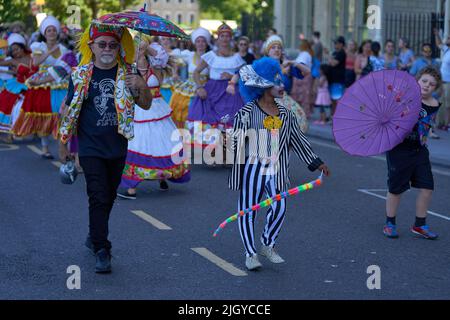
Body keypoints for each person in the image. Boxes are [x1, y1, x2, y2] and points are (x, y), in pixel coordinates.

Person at [58, 22, 152, 273]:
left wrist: (141, 87)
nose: (108, 48)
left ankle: (93, 234)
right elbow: (69, 111)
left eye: (113, 44)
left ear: (119, 47)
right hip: (90, 148)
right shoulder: (79, 75)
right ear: (92, 47)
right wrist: (64, 144)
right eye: (102, 44)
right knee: (98, 195)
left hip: (118, 145)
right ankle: (102, 248)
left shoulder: (130, 72)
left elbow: (146, 105)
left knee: (108, 196)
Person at [230, 57, 330, 270]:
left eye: (281, 80)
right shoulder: (247, 112)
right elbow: (234, 143)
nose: (282, 85)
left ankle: (268, 244)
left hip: (276, 168)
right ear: (264, 85)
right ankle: (250, 253)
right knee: (248, 210)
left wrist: (316, 162)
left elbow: (298, 140)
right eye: (277, 82)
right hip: (253, 167)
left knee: (280, 206)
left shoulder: (286, 113)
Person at [117, 38, 190, 199]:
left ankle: (162, 176)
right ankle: (131, 184)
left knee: (162, 143)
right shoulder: (128, 68)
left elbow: (161, 56)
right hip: (138, 108)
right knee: (138, 143)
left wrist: (147, 46)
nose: (138, 49)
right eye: (136, 46)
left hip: (156, 108)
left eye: (140, 46)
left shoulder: (155, 67)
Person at [383, 67, 442, 240]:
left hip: (420, 151)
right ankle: (390, 223)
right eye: (424, 81)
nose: (427, 86)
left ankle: (420, 225)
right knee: (396, 188)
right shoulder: (404, 97)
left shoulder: (435, 104)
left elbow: (428, 124)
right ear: (417, 80)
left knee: (427, 187)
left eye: (432, 84)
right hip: (399, 149)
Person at [12, 16, 77, 159]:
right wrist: (49, 51)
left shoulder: (63, 48)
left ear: (57, 32)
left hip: (60, 84)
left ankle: (64, 149)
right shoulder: (38, 46)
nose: (52, 32)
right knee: (44, 117)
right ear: (44, 33)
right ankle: (45, 148)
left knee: (62, 117)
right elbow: (35, 63)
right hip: (43, 85)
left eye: (54, 30)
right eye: (49, 30)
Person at [186, 23, 246, 151]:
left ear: (230, 38)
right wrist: (199, 87)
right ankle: (213, 150)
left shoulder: (237, 58)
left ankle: (226, 152)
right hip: (213, 91)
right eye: (222, 36)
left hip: (231, 92)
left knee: (230, 121)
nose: (224, 39)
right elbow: (196, 72)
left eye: (227, 36)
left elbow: (244, 75)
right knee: (211, 119)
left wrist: (231, 76)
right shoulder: (211, 56)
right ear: (218, 38)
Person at [169, 27, 211, 128]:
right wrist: (175, 72)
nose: (200, 44)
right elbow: (173, 59)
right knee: (183, 108)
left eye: (203, 41)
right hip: (189, 86)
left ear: (206, 43)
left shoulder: (211, 57)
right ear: (194, 43)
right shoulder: (189, 55)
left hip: (205, 87)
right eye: (198, 41)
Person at [0, 34, 33, 140]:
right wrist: (2, 53)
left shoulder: (33, 57)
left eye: (17, 49)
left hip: (33, 85)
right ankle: (11, 132)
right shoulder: (12, 61)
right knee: (11, 106)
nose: (15, 52)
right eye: (13, 51)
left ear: (22, 47)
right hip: (17, 85)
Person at [290, 39, 314, 117]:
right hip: (302, 76)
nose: (299, 46)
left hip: (303, 76)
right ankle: (301, 113)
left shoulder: (305, 54)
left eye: (300, 44)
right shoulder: (304, 54)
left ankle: (303, 113)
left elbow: (301, 64)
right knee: (302, 95)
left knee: (303, 95)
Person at [434, 29, 450, 131]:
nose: (447, 39)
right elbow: (438, 44)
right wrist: (437, 35)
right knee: (440, 102)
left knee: (448, 104)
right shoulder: (447, 50)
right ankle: (440, 122)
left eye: (448, 38)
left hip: (448, 82)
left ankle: (447, 124)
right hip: (442, 82)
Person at [328, 36, 347, 116]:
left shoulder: (342, 53)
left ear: (341, 44)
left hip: (338, 80)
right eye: (334, 43)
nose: (335, 45)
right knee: (332, 100)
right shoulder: (335, 53)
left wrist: (328, 57)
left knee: (337, 100)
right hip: (332, 79)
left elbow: (333, 63)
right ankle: (332, 116)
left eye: (336, 43)